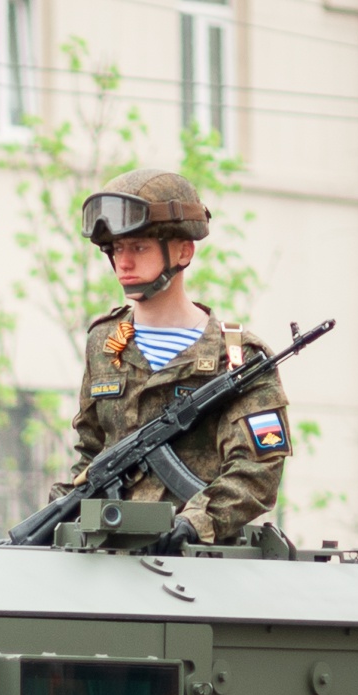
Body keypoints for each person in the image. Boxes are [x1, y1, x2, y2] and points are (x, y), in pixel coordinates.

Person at [55, 169, 292, 546]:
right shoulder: (104, 342)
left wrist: (194, 524)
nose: (123, 263)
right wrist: (61, 516)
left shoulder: (238, 358)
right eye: (116, 249)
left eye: (139, 247)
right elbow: (90, 451)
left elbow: (256, 470)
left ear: (183, 251)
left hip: (198, 560)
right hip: (106, 555)